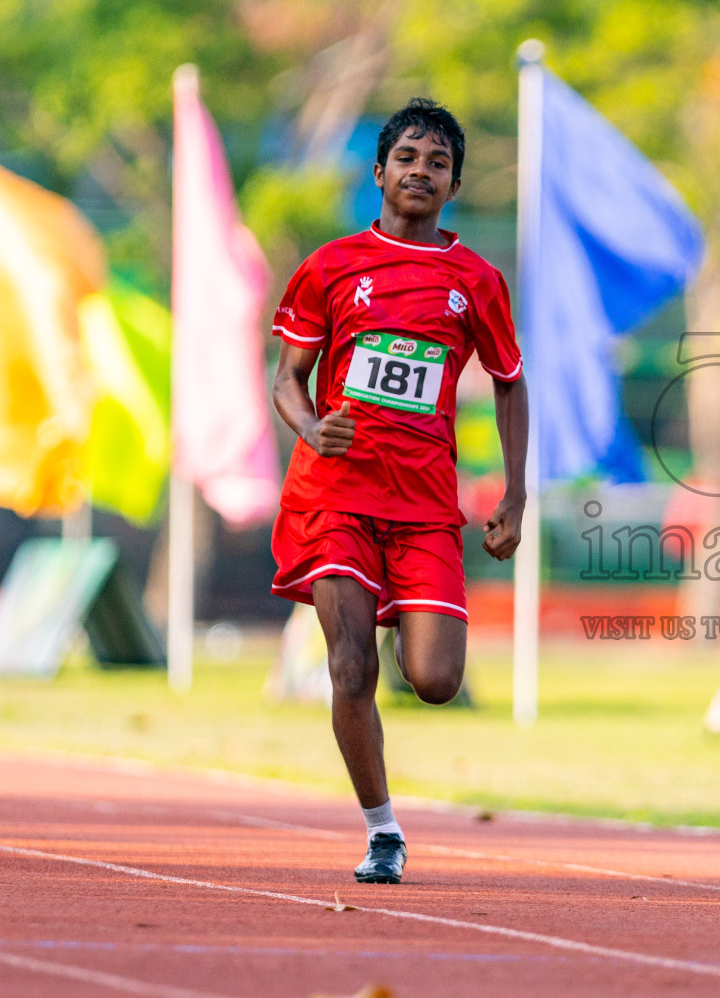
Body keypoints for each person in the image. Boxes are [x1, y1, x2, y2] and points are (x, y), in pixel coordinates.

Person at [269, 98, 528, 884]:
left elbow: (512, 385)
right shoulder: (331, 266)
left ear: (453, 184)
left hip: (423, 507)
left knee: (437, 681)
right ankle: (383, 830)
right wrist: (312, 429)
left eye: (439, 162)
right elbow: (288, 378)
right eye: (408, 157)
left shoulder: (476, 281)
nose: (422, 170)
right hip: (336, 494)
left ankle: (399, 629)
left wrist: (516, 494)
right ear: (379, 172)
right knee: (351, 668)